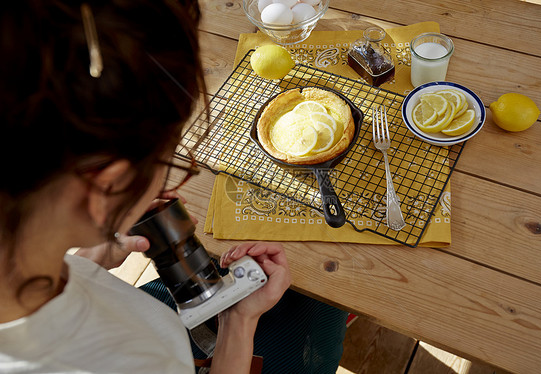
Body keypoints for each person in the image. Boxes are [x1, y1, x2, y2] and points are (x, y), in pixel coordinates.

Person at [0, 1, 348, 373]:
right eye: (166, 162)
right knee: (322, 303)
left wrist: (93, 259)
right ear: (107, 186)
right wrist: (238, 324)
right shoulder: (138, 363)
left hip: (133, 309)